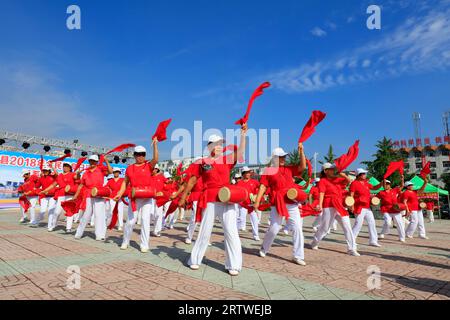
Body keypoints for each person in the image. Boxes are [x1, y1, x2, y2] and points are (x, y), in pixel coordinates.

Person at [178, 125, 247, 276]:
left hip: (226, 197)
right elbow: (192, 180)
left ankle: (233, 265)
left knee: (231, 231)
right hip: (209, 198)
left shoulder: (227, 160)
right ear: (210, 147)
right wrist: (184, 196)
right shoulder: (202, 162)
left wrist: (243, 135)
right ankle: (195, 260)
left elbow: (240, 152)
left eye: (221, 144)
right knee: (205, 230)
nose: (219, 147)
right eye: (216, 144)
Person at [254, 143, 308, 266]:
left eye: (284, 157)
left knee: (298, 228)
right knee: (274, 228)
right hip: (277, 202)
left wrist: (301, 152)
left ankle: (298, 255)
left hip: (291, 201)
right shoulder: (268, 171)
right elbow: (263, 186)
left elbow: (303, 167)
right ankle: (264, 248)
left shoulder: (289, 168)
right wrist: (257, 201)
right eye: (280, 157)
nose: (283, 159)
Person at [114, 141, 159, 253]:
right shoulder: (130, 168)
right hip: (134, 198)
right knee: (130, 221)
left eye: (143, 154)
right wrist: (119, 193)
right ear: (134, 155)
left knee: (145, 220)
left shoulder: (148, 166)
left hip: (146, 198)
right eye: (138, 154)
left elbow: (156, 159)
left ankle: (144, 244)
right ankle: (125, 241)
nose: (140, 156)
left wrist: (154, 145)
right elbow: (125, 182)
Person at [311, 163, 359, 256]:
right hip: (328, 204)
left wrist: (342, 174)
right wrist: (320, 205)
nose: (334, 170)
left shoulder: (337, 179)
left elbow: (348, 180)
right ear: (326, 171)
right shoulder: (322, 181)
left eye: (334, 169)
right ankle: (315, 242)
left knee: (347, 226)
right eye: (331, 169)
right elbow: (321, 193)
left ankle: (352, 249)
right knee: (325, 228)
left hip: (339, 205)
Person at [73, 155, 113, 241]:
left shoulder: (101, 169)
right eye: (91, 161)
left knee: (99, 215)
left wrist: (106, 161)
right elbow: (81, 185)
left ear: (97, 162)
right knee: (86, 214)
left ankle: (100, 235)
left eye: (94, 161)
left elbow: (110, 171)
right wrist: (75, 196)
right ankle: (79, 233)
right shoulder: (86, 172)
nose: (92, 163)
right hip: (88, 194)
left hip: (99, 193)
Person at [40, 162, 80, 232]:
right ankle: (53, 225)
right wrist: (44, 190)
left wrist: (79, 174)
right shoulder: (60, 176)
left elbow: (77, 177)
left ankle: (68, 228)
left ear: (70, 168)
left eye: (67, 166)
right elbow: (53, 185)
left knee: (69, 211)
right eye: (64, 166)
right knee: (57, 212)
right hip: (61, 195)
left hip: (70, 195)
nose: (65, 167)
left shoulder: (72, 174)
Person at [350, 168, 382, 247]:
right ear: (359, 175)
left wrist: (381, 183)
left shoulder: (366, 183)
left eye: (365, 173)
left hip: (367, 207)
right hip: (359, 206)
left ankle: (373, 241)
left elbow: (375, 188)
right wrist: (351, 206)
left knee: (372, 223)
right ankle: (352, 240)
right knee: (358, 224)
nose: (365, 175)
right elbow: (351, 195)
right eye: (363, 174)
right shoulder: (354, 183)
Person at [236, 166, 261, 239]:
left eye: (249, 172)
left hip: (251, 204)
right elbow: (237, 193)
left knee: (255, 220)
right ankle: (234, 233)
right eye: (246, 172)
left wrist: (257, 197)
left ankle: (256, 235)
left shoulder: (254, 182)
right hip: (243, 204)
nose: (248, 174)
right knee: (241, 219)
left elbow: (261, 189)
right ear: (243, 174)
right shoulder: (239, 183)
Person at [378, 177, 406, 242]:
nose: (386, 185)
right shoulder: (381, 192)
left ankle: (402, 237)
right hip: (386, 209)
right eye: (385, 184)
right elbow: (375, 199)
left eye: (387, 184)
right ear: (383, 185)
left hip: (395, 209)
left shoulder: (394, 190)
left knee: (399, 223)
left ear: (390, 185)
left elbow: (402, 186)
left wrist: (402, 179)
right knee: (388, 222)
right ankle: (383, 233)